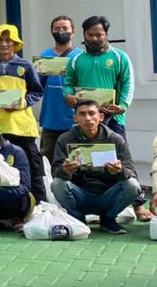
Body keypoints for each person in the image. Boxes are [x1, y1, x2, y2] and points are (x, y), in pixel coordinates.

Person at [61, 15, 149, 220]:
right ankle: (85, 204)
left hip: (113, 119)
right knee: (84, 159)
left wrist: (123, 106)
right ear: (83, 35)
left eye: (99, 34)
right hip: (86, 120)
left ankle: (138, 205)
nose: (94, 38)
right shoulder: (76, 59)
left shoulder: (119, 57)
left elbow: (128, 84)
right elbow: (68, 83)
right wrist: (69, 96)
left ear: (107, 35)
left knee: (123, 160)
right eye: (90, 35)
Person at [0, 25, 46, 203]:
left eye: (8, 41)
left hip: (21, 126)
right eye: (0, 40)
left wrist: (22, 103)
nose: (4, 44)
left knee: (32, 168)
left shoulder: (26, 66)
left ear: (15, 44)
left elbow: (37, 91)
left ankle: (39, 205)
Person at [51, 99, 140, 234]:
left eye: (92, 113)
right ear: (75, 118)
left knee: (132, 185)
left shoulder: (115, 139)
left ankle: (108, 219)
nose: (88, 118)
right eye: (82, 114)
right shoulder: (65, 139)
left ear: (101, 117)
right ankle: (77, 219)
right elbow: (55, 172)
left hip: (107, 195)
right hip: (79, 194)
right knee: (57, 183)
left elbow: (132, 172)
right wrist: (65, 170)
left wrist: (120, 170)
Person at [37, 16, 81, 169]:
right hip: (50, 120)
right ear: (51, 31)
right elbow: (37, 87)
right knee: (48, 165)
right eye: (57, 29)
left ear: (73, 32)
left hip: (74, 121)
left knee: (74, 164)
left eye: (65, 28)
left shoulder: (80, 56)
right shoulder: (45, 55)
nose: (61, 31)